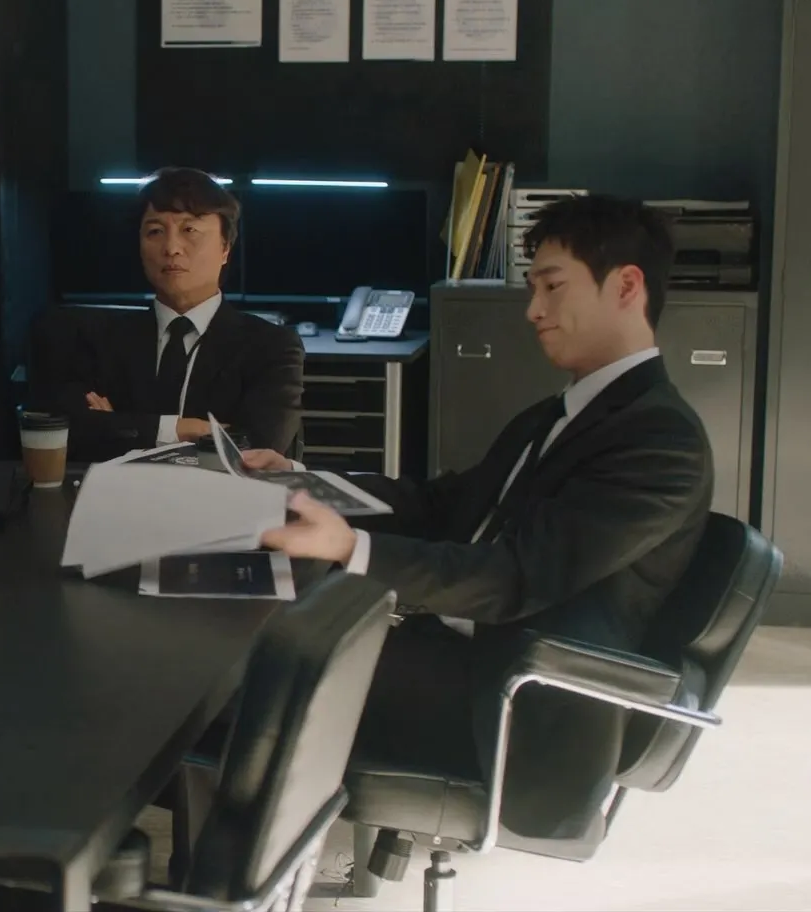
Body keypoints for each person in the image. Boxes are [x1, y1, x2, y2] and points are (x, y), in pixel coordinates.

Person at [249, 194, 713, 839]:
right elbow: (444, 505)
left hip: (513, 702)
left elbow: (516, 576)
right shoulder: (559, 414)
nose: (533, 310)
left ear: (626, 286)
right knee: (262, 632)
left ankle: (227, 864)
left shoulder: (661, 442)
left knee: (263, 663)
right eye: (533, 289)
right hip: (462, 652)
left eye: (552, 286)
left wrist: (351, 548)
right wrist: (309, 484)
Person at [31, 167, 304, 461]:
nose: (171, 248)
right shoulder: (97, 339)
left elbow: (259, 447)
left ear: (225, 248)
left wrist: (120, 425)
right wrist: (184, 429)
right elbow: (67, 433)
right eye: (155, 232)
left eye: (189, 230)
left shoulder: (271, 346)